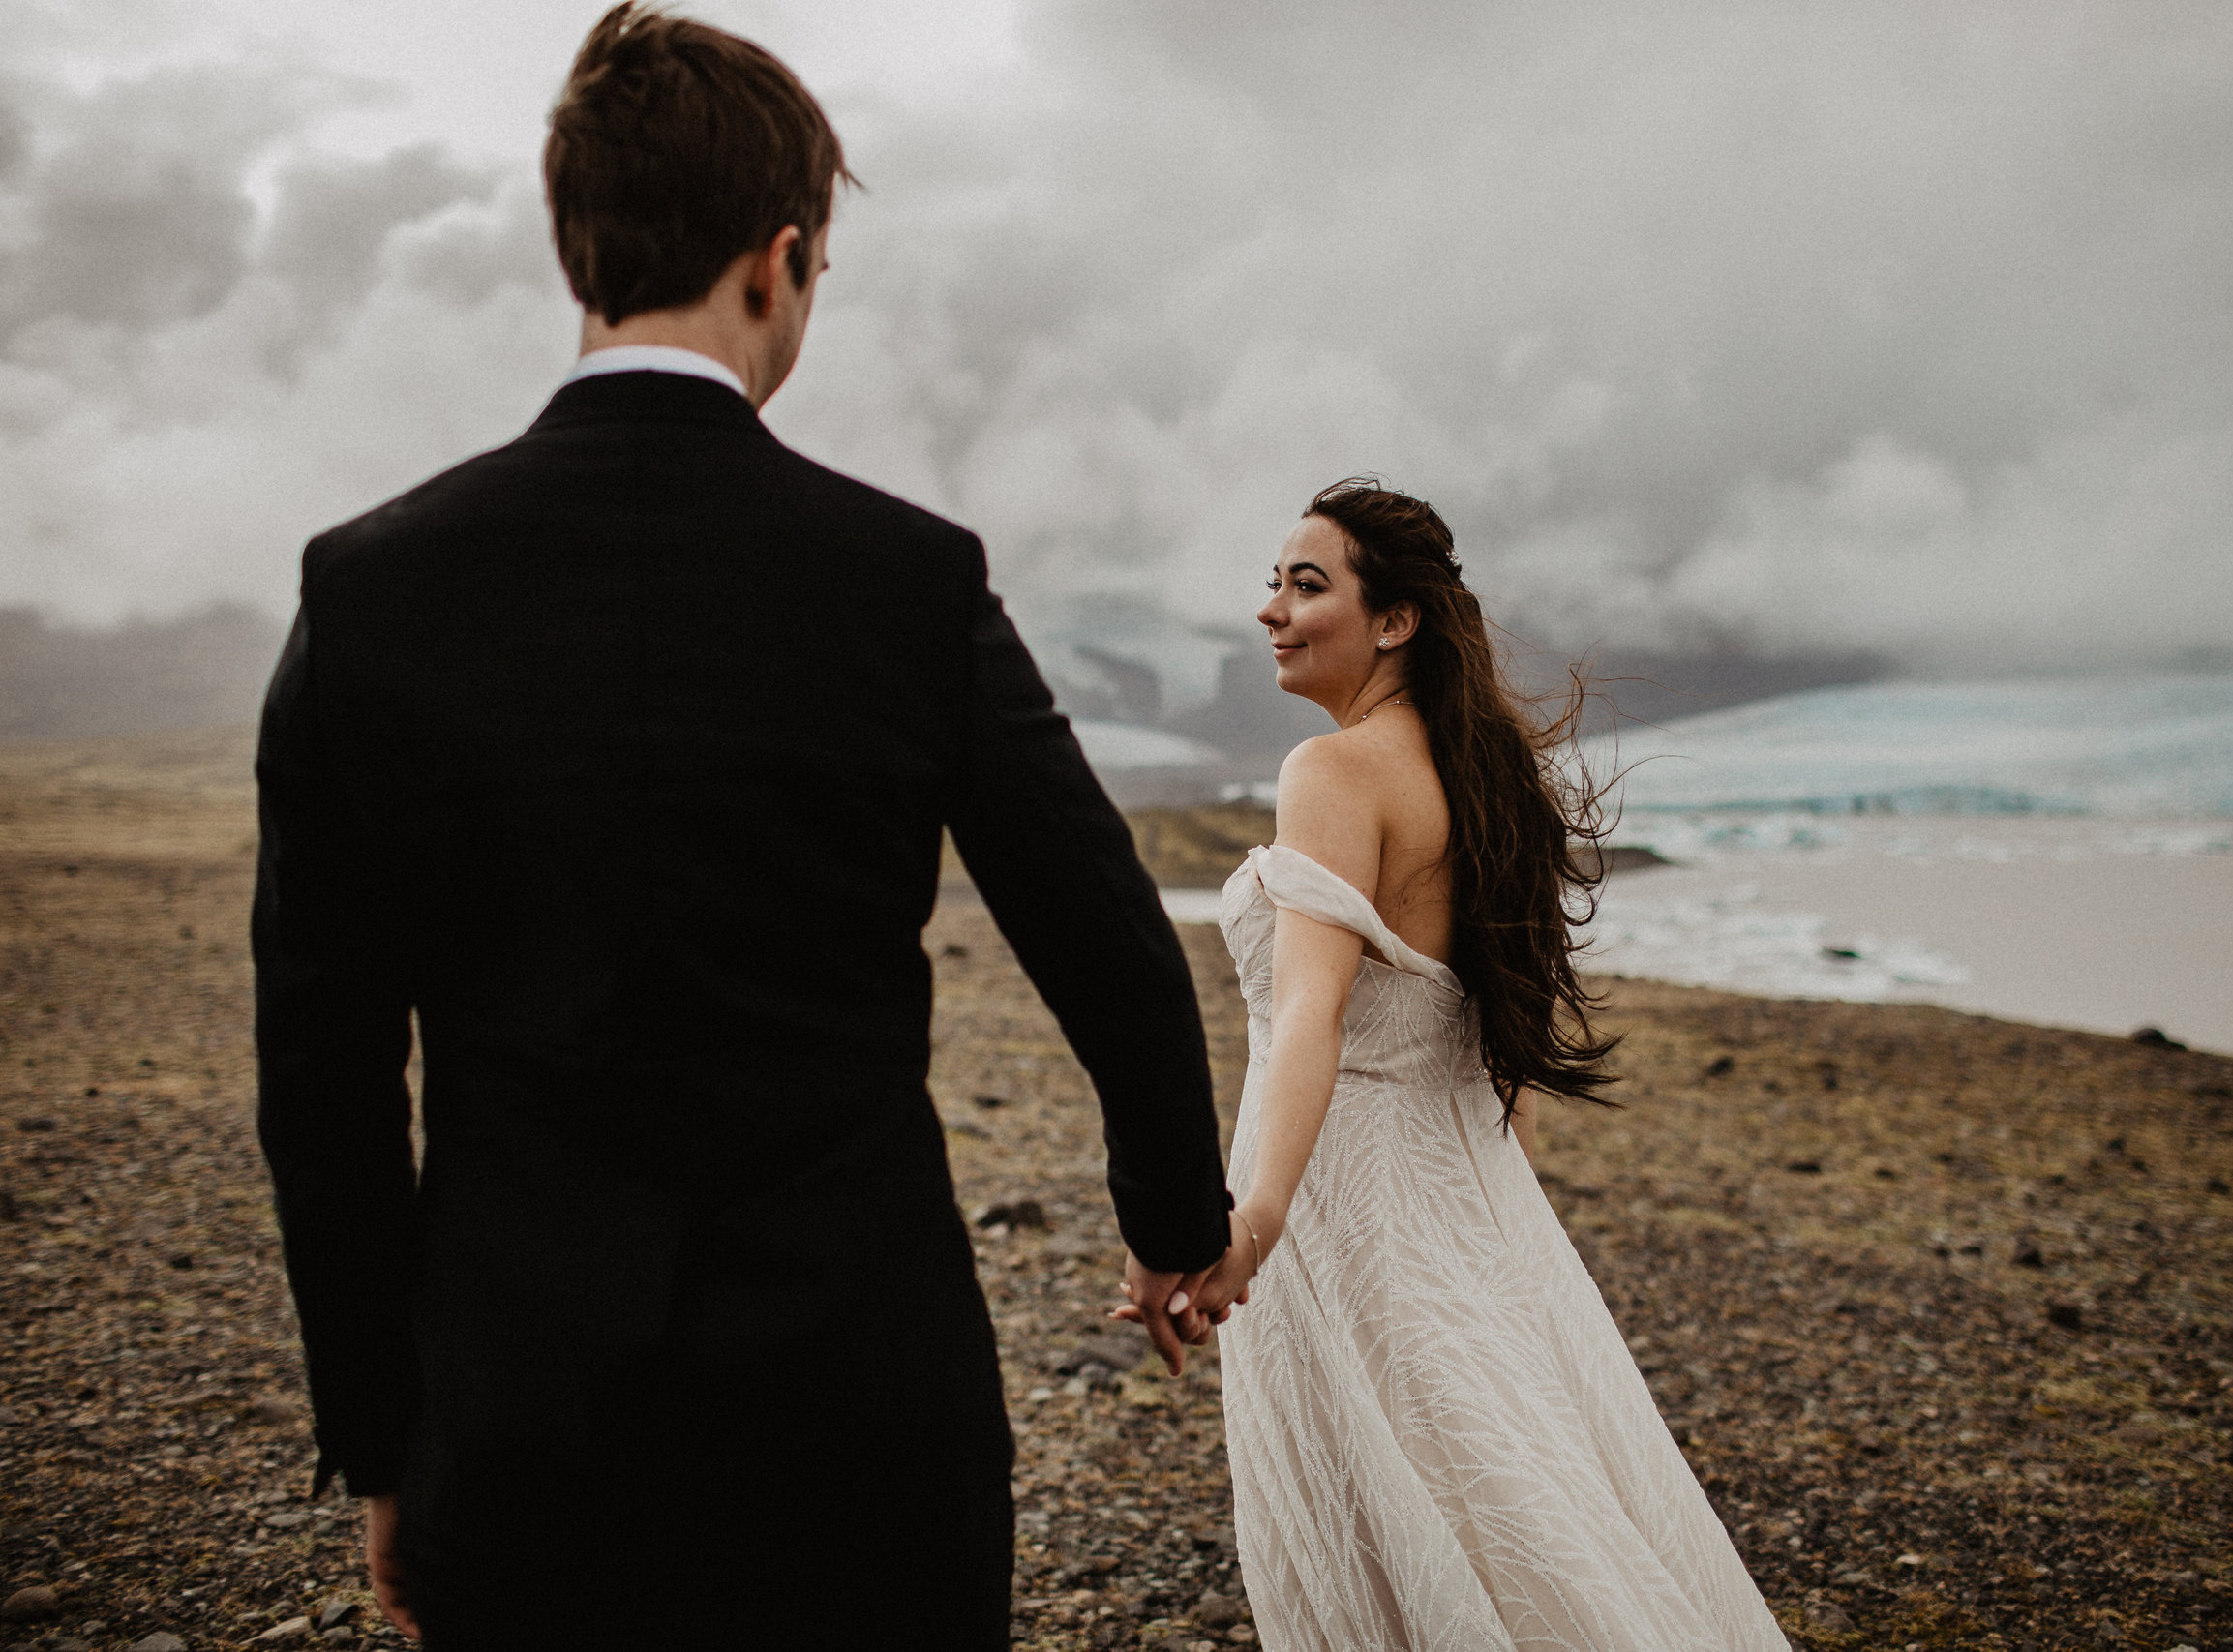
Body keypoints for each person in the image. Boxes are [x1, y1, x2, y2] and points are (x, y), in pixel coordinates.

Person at [250, 9, 1229, 1647]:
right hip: (859, 1409)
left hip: (520, 1416)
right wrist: (1174, 1225)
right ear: (779, 263)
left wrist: (382, 1431)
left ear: (580, 251)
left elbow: (323, 1076)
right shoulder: (907, 579)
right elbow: (1109, 935)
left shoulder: (371, 593)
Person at [1157, 480, 1792, 1648]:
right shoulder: (1483, 782)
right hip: (1461, 1197)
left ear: (1395, 620)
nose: (1270, 611)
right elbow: (1494, 1038)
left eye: (1307, 585)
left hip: (1346, 1208)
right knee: (1509, 1497)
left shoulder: (1333, 773)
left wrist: (1257, 1219)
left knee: (1411, 1522)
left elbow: (1313, 1015)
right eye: (1271, 583)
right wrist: (1508, 1219)